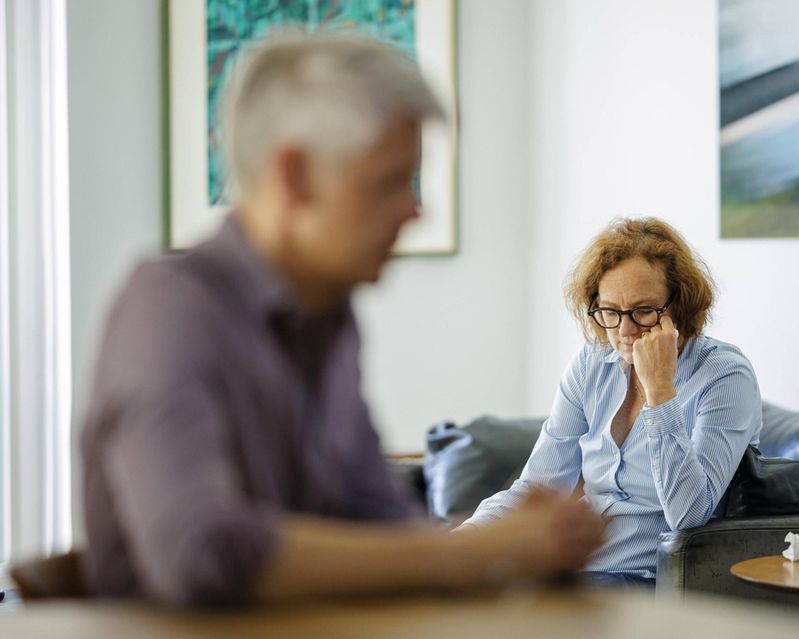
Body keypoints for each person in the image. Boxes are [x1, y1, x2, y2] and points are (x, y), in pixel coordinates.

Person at [80, 34, 604, 607]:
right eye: (389, 182)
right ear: (295, 177)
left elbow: (379, 519)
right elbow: (203, 555)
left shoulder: (330, 320)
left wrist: (524, 552)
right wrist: (478, 552)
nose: (414, 209)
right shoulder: (168, 311)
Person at [460, 217, 762, 587]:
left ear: (680, 305)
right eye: (610, 312)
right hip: (573, 569)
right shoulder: (591, 364)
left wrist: (660, 392)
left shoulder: (724, 376)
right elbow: (537, 486)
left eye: (644, 311)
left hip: (651, 579)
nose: (625, 331)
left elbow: (690, 516)